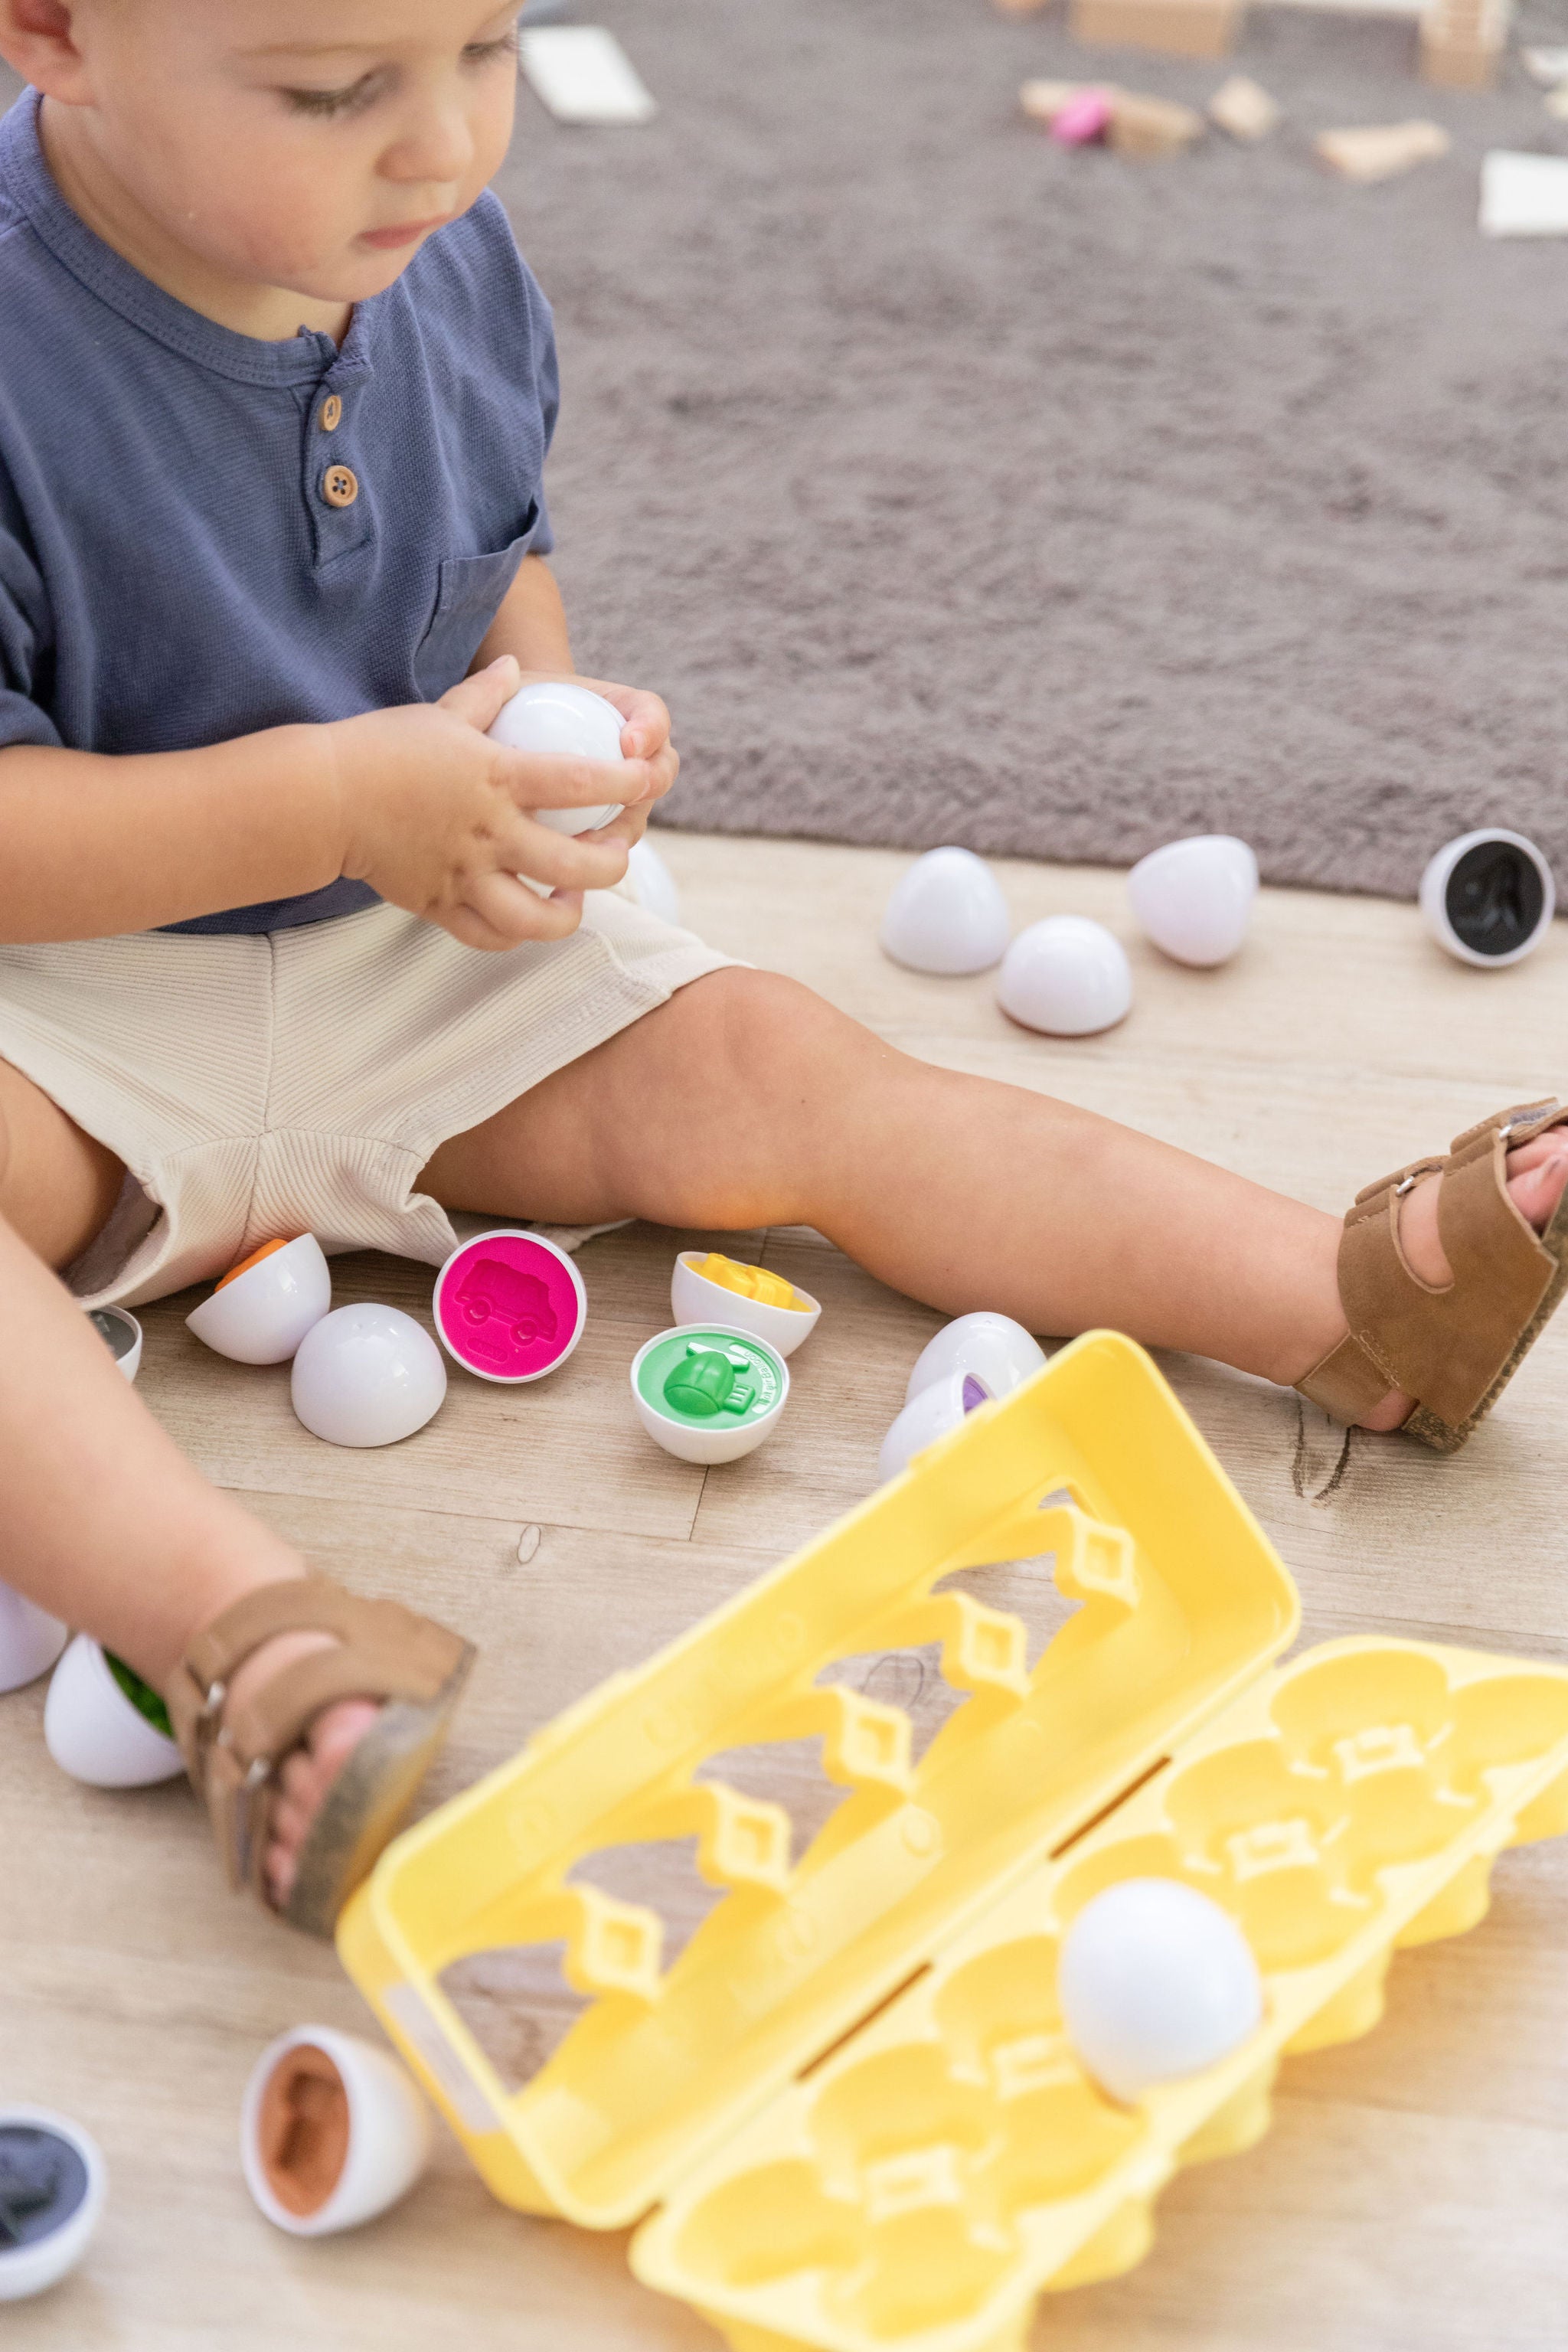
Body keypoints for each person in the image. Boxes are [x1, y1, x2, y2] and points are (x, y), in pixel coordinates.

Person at [2, 0, 1564, 1938]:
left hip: (410, 945)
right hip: (65, 1001)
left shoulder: (434, 259)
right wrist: (331, 801)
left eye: (486, 46)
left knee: (786, 1079)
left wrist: (550, 719)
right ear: (54, 29)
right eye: (334, 92)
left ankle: (1339, 1304)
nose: (440, 146)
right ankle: (244, 1643)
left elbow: (490, 566)